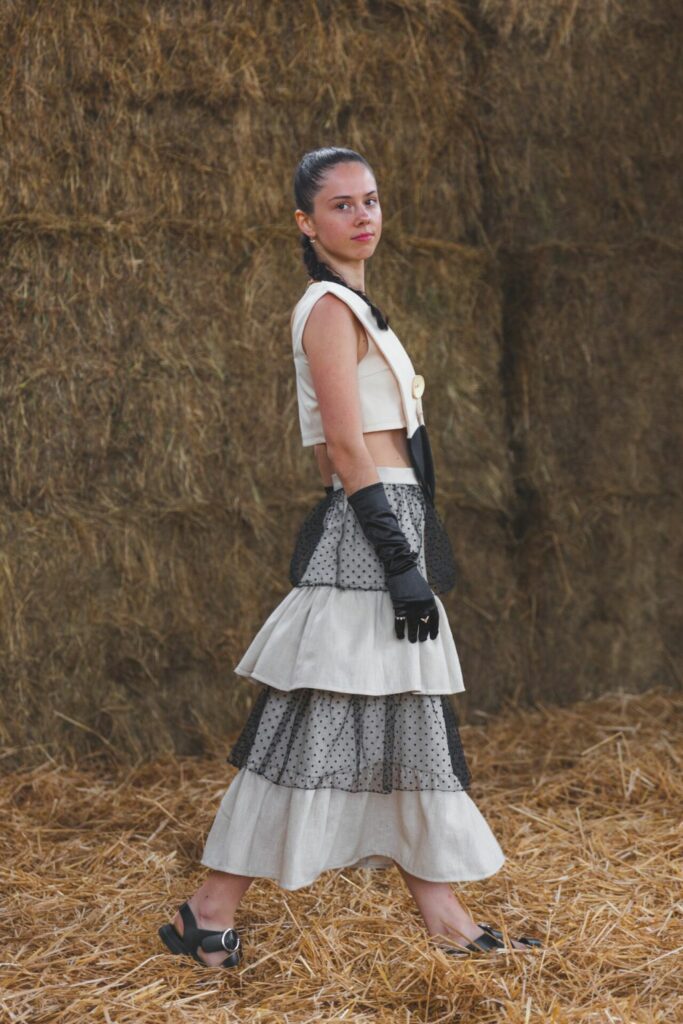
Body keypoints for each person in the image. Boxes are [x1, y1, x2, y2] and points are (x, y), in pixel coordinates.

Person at [158, 147, 542, 968]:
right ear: (305, 222)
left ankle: (434, 917)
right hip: (373, 529)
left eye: (369, 200)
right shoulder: (329, 309)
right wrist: (396, 559)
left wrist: (402, 540)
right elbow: (340, 446)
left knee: (401, 716)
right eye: (341, 205)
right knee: (320, 715)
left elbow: (348, 448)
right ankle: (211, 909)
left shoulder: (357, 307)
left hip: (386, 517)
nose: (362, 215)